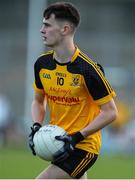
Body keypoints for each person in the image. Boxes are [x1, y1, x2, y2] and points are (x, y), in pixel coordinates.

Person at [29, 2, 118, 179]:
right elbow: (38, 101)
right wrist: (36, 126)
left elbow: (110, 112)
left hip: (84, 147)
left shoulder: (89, 70)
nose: (41, 30)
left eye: (47, 25)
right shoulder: (42, 64)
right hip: (61, 144)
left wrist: (77, 137)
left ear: (65, 29)